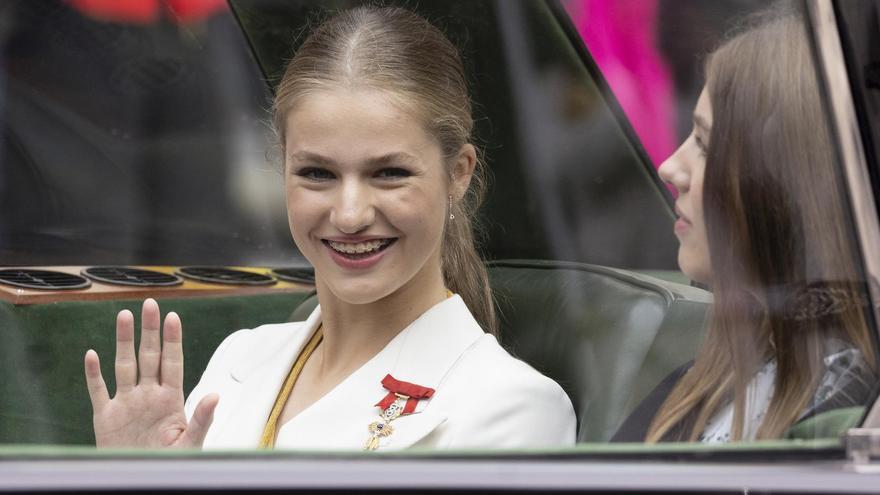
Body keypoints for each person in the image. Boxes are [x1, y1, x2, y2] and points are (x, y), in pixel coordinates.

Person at [82, 6, 575, 450]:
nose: (350, 214)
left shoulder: (514, 407)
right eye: (317, 174)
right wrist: (132, 479)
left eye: (389, 173)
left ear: (459, 173)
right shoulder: (240, 358)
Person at [613, 10, 878, 443]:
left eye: (703, 144)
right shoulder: (701, 386)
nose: (668, 167)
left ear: (783, 187)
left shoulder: (844, 424)